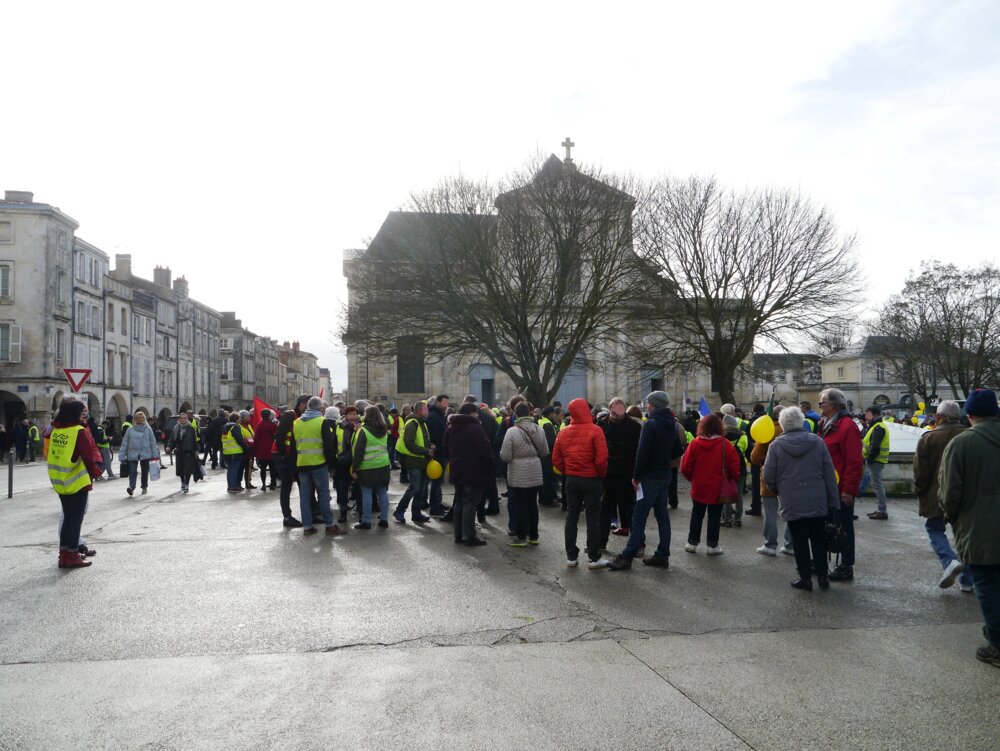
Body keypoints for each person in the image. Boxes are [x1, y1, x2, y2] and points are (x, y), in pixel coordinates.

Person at [939, 388, 1000, 668]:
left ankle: (997, 644)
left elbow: (950, 491)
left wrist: (950, 516)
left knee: (987, 584)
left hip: (980, 526)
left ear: (970, 414)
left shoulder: (962, 444)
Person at [763, 407, 840, 591]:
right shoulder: (817, 442)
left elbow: (768, 474)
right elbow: (829, 472)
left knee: (799, 540)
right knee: (819, 539)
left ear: (782, 424)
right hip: (817, 498)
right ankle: (822, 576)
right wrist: (833, 500)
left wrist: (777, 489)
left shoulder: (776, 445)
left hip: (791, 498)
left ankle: (805, 578)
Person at [609, 391, 677, 571]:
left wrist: (636, 476)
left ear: (653, 405)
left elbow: (642, 453)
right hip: (664, 475)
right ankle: (663, 554)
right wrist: (664, 459)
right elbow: (679, 449)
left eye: (648, 403)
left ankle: (627, 556)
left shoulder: (651, 424)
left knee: (638, 516)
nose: (646, 406)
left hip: (649, 477)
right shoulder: (672, 424)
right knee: (662, 517)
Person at [913, 399, 973, 592]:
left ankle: (949, 560)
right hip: (966, 492)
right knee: (964, 535)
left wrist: (920, 490)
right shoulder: (970, 435)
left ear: (938, 417)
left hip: (936, 492)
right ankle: (967, 580)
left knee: (934, 528)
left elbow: (921, 471)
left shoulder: (928, 438)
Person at [552, 397, 609, 569]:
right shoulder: (596, 430)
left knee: (571, 516)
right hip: (591, 479)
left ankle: (571, 556)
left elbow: (556, 459)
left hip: (572, 479)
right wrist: (601, 475)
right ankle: (593, 557)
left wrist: (568, 471)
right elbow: (602, 459)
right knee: (593, 518)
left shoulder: (563, 432)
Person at [47, 399, 102, 569]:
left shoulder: (56, 430)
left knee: (67, 519)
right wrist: (96, 473)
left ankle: (63, 554)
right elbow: (88, 457)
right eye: (81, 412)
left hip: (60, 481)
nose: (83, 415)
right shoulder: (79, 431)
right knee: (75, 520)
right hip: (77, 481)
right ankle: (72, 555)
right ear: (75, 413)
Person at [817, 388, 863, 582]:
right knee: (827, 525)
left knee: (843, 527)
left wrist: (848, 489)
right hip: (827, 487)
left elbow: (854, 461)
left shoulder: (847, 426)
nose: (819, 406)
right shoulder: (825, 424)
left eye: (822, 403)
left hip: (840, 488)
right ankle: (822, 562)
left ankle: (846, 565)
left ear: (832, 405)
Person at [681, 413, 740, 556]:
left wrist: (692, 478)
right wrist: (733, 480)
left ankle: (692, 543)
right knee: (714, 515)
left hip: (699, 485)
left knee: (697, 514)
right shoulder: (725, 444)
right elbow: (735, 468)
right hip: (718, 486)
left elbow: (685, 466)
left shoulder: (695, 443)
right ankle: (712, 545)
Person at [499, 401, 549, 547]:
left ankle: (521, 537)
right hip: (534, 470)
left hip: (518, 471)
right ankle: (534, 536)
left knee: (520, 504)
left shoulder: (512, 431)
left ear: (516, 414)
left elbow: (505, 455)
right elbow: (545, 451)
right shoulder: (539, 429)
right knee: (532, 503)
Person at [443, 402, 493, 546]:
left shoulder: (451, 427)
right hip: (474, 471)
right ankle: (469, 536)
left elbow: (445, 448)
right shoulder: (475, 428)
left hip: (457, 470)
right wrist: (490, 465)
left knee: (459, 502)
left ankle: (458, 534)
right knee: (470, 503)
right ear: (472, 413)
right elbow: (485, 450)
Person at [293, 396, 344, 536]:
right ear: (321, 408)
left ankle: (307, 527)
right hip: (319, 463)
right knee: (323, 494)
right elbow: (328, 446)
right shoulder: (322, 421)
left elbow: (293, 445)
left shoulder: (297, 422)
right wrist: (331, 464)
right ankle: (329, 525)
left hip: (302, 463)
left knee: (304, 496)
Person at [749, 406, 793, 556]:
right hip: (790, 476)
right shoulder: (792, 431)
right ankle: (790, 544)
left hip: (769, 476)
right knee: (789, 512)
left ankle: (770, 544)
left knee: (770, 512)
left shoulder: (768, 430)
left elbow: (754, 457)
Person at [598, 397, 641, 544]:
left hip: (627, 474)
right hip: (607, 475)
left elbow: (638, 452)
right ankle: (601, 542)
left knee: (631, 511)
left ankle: (637, 544)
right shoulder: (602, 424)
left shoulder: (634, 427)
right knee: (604, 510)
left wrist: (637, 474)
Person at [350, 405, 391, 529]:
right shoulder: (384, 429)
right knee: (382, 492)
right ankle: (384, 519)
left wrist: (354, 468)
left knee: (367, 492)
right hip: (383, 465)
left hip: (367, 466)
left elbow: (359, 452)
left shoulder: (364, 431)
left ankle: (366, 521)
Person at [393, 401, 434, 524]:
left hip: (423, 460)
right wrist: (426, 450)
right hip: (414, 461)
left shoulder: (422, 423)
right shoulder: (413, 423)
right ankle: (399, 510)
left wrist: (431, 445)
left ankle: (416, 514)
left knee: (421, 489)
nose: (427, 411)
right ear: (419, 411)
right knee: (414, 488)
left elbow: (424, 440)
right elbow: (409, 443)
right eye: (426, 409)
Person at [274, 396, 311, 527]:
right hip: (286, 457)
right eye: (308, 403)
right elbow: (280, 435)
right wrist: (284, 454)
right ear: (302, 404)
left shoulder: (301, 416)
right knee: (286, 486)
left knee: (304, 485)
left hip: (296, 457)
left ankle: (309, 513)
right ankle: (287, 516)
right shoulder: (290, 414)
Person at [118, 412, 159, 496]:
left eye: (142, 418)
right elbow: (125, 443)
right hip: (132, 453)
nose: (140, 419)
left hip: (145, 453)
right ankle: (131, 487)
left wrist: (155, 454)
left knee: (144, 471)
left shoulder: (148, 429)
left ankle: (144, 486)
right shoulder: (130, 430)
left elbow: (152, 442)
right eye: (138, 418)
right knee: (132, 471)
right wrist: (122, 455)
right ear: (135, 419)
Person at [863, 407, 891, 520]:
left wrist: (869, 459)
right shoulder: (877, 426)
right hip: (876, 460)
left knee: (877, 486)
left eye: (868, 414)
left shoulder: (878, 427)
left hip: (875, 461)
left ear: (875, 415)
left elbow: (875, 446)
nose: (865, 417)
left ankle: (882, 510)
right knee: (877, 485)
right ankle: (881, 509)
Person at [721, 415, 748, 527]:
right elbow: (745, 449)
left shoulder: (722, 436)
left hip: (725, 468)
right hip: (740, 468)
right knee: (739, 493)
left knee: (726, 493)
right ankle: (738, 518)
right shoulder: (743, 436)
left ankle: (727, 519)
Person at [425, 395, 451, 517]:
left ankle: (438, 503)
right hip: (438, 452)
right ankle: (435, 507)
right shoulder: (433, 417)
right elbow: (435, 436)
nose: (446, 405)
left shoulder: (439, 415)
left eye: (447, 403)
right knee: (436, 481)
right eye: (444, 403)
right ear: (438, 403)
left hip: (442, 451)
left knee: (439, 481)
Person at [167, 412, 198, 493]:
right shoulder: (176, 428)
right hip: (179, 451)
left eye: (185, 418)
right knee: (180, 469)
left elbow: (194, 441)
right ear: (179, 419)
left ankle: (187, 484)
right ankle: (183, 482)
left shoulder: (191, 428)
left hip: (189, 451)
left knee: (187, 469)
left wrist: (196, 451)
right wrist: (169, 446)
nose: (183, 420)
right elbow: (172, 440)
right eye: (182, 418)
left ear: (187, 419)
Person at [222, 412, 251, 492]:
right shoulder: (235, 427)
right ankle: (233, 486)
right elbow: (239, 439)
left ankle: (230, 486)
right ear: (237, 419)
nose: (239, 420)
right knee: (234, 470)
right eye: (239, 419)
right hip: (235, 451)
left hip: (227, 451)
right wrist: (246, 448)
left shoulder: (225, 427)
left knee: (230, 469)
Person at [254, 409, 278, 491]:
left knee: (263, 469)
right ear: (269, 415)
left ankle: (263, 484)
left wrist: (254, 450)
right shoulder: (274, 425)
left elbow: (256, 438)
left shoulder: (259, 425)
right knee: (272, 468)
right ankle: (273, 484)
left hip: (261, 450)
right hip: (271, 449)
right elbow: (277, 437)